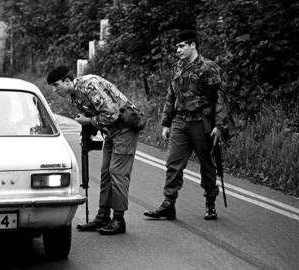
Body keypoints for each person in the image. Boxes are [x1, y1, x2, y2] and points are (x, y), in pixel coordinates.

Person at [143, 30, 229, 221]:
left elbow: (220, 98)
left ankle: (210, 204)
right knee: (173, 164)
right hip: (180, 121)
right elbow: (170, 95)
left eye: (181, 45)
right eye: (177, 47)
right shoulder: (177, 67)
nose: (178, 50)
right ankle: (168, 204)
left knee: (206, 165)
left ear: (193, 45)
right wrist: (166, 123)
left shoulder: (209, 68)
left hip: (201, 122)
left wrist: (219, 125)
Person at [47, 66, 140, 235]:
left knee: (117, 173)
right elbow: (96, 115)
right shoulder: (75, 94)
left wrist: (88, 121)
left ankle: (119, 220)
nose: (55, 90)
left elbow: (112, 114)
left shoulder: (90, 85)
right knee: (106, 172)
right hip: (112, 131)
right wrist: (88, 129)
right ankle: (103, 216)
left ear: (67, 81)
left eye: (56, 85)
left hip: (125, 128)